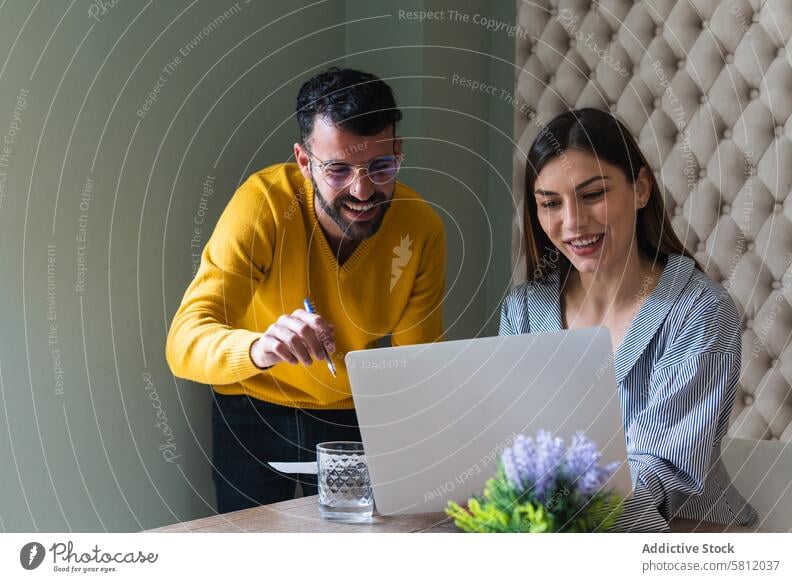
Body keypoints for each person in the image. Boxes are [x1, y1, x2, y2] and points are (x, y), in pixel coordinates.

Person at [166, 68, 446, 513]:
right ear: (303, 160)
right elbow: (183, 344)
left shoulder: (422, 228)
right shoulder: (261, 205)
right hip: (251, 408)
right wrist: (261, 347)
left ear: (398, 150)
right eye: (337, 170)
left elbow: (414, 370)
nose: (363, 190)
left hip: (353, 416)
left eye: (381, 167)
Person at [499, 108, 758, 531]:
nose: (572, 222)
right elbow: (510, 451)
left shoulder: (700, 311)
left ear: (640, 189)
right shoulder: (523, 311)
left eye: (593, 194)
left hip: (689, 541)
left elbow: (655, 471)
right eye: (550, 204)